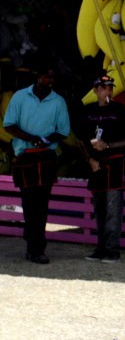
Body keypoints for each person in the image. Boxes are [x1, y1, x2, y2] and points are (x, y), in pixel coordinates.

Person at [3, 64, 70, 264]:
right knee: (28, 203)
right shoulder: (20, 97)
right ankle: (32, 240)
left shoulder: (58, 101)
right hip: (25, 157)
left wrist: (45, 140)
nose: (50, 81)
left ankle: (37, 248)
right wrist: (31, 138)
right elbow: (9, 125)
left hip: (46, 156)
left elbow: (63, 131)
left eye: (53, 78)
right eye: (46, 76)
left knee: (41, 205)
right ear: (38, 76)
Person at [76, 74, 125, 264]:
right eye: (103, 87)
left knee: (113, 208)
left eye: (110, 87)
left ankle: (112, 249)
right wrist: (90, 160)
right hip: (96, 166)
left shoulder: (120, 110)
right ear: (95, 90)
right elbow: (81, 140)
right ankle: (101, 247)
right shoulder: (88, 111)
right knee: (99, 209)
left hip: (115, 164)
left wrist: (108, 145)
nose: (108, 91)